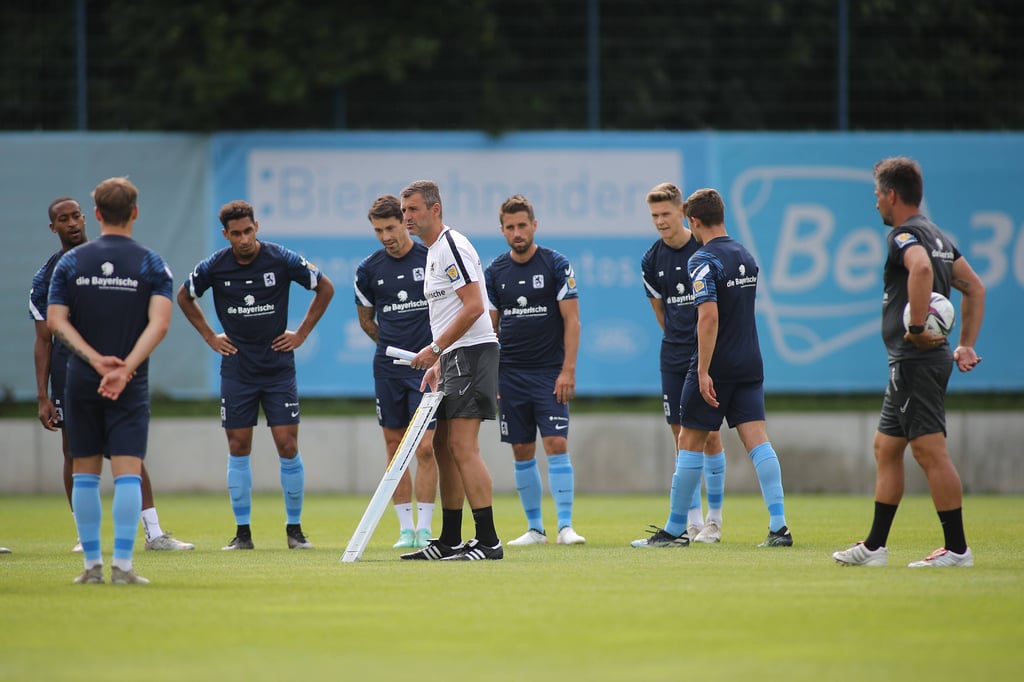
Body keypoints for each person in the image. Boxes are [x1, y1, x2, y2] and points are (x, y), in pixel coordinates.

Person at [833, 157, 985, 568]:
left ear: (892, 195)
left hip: (916, 359)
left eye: (877, 195)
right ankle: (875, 547)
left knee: (930, 452)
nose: (876, 204)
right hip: (918, 361)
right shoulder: (937, 235)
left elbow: (918, 268)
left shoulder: (905, 236)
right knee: (886, 447)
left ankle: (957, 550)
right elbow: (974, 287)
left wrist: (916, 327)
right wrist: (965, 345)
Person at [31, 196, 193, 553]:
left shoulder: (120, 260)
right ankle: (86, 539)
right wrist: (43, 395)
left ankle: (154, 533)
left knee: (127, 451)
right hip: (72, 372)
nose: (72, 223)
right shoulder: (53, 272)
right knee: (74, 451)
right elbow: (45, 337)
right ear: (53, 227)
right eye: (63, 219)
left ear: (91, 216)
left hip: (120, 367)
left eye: (76, 216)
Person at [631, 188, 792, 548]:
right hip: (750, 360)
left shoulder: (701, 260)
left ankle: (674, 531)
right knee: (758, 441)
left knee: (688, 442)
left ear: (693, 221)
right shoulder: (745, 255)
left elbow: (708, 318)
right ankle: (779, 526)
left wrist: (703, 370)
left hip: (716, 364)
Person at [177, 200, 334, 551]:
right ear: (226, 235)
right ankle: (242, 534)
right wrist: (209, 336)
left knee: (287, 444)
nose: (244, 239)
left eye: (248, 231)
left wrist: (302, 333)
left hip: (278, 367)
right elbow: (185, 297)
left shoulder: (281, 259)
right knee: (238, 446)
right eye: (236, 234)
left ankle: (295, 531)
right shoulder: (214, 266)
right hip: (237, 369)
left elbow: (325, 287)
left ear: (256, 226)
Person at [399, 180, 503, 561]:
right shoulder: (432, 252)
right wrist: (440, 363)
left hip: (474, 354)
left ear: (435, 209)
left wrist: (435, 349)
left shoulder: (452, 245)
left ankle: (489, 541)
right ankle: (449, 540)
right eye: (404, 210)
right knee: (443, 448)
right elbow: (450, 312)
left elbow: (475, 306)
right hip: (456, 357)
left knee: (462, 446)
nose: (406, 217)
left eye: (413, 209)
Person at [484, 194, 585, 546]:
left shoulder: (556, 264)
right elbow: (490, 331)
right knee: (521, 449)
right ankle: (535, 529)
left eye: (522, 225)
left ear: (534, 225)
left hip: (548, 373)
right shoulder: (495, 272)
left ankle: (566, 527)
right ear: (502, 230)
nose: (517, 232)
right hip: (510, 375)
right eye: (510, 227)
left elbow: (572, 321)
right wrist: (492, 377)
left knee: (556, 443)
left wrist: (567, 370)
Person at [640, 182, 727, 544]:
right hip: (672, 356)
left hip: (704, 355)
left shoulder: (704, 249)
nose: (660, 221)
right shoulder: (651, 260)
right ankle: (690, 522)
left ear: (683, 214)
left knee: (709, 435)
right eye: (654, 216)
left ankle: (715, 520)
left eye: (666, 214)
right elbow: (661, 313)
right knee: (680, 437)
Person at [355, 194, 438, 549]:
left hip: (426, 369)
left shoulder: (430, 258)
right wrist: (393, 346)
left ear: (404, 223)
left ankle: (426, 526)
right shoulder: (368, 270)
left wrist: (426, 352)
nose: (385, 236)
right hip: (388, 370)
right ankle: (405, 530)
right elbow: (367, 321)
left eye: (390, 227)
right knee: (394, 446)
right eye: (378, 230)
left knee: (425, 447)